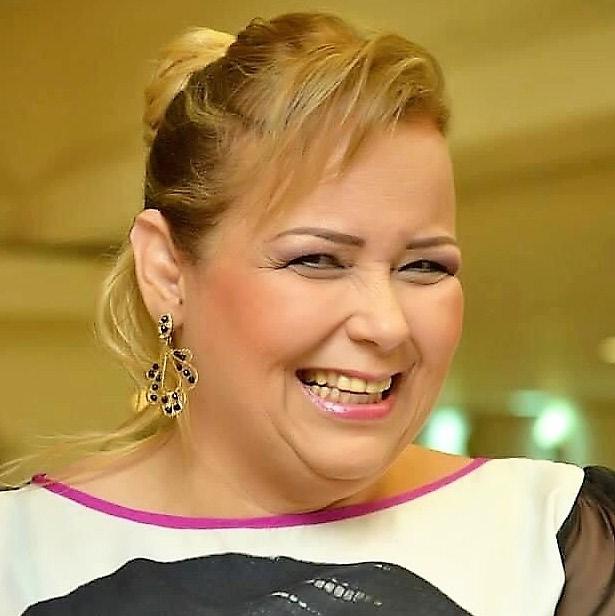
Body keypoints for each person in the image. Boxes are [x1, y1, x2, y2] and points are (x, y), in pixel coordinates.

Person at [1, 11, 613, 616]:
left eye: (425, 266)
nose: (387, 325)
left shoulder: (555, 538)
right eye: (317, 259)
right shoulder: (22, 555)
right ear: (166, 271)